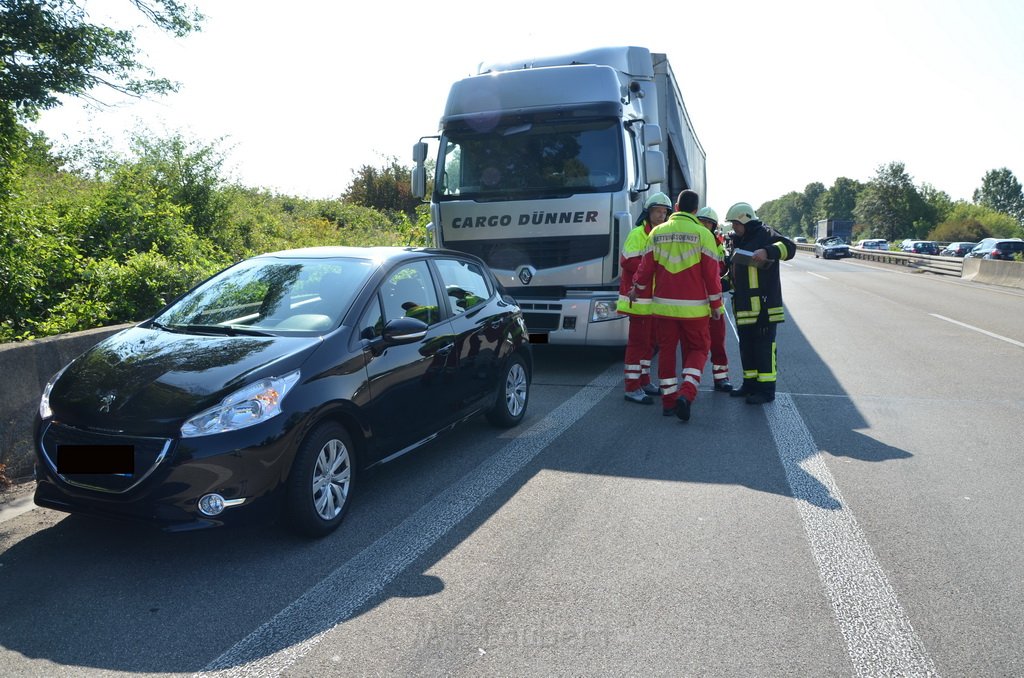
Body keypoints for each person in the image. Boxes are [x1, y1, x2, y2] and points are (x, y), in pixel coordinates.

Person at [630, 190, 724, 422]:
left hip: (663, 308)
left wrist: (636, 288)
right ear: (696, 210)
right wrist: (716, 305)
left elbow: (645, 270)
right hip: (695, 309)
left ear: (676, 206)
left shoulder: (658, 232)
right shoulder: (703, 234)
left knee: (666, 352)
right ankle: (687, 392)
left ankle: (669, 402)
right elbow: (712, 277)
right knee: (699, 350)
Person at [723, 202, 795, 405]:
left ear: (745, 220)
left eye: (736, 223)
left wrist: (767, 251)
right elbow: (735, 274)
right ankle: (750, 384)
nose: (734, 228)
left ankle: (766, 391)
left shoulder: (766, 233)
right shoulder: (737, 240)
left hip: (764, 308)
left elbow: (789, 248)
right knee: (747, 348)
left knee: (764, 349)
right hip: (744, 307)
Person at [617, 192, 672, 404]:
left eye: (664, 212)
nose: (661, 215)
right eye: (658, 211)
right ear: (648, 212)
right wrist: (654, 266)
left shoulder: (661, 234)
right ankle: (631, 387)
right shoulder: (638, 233)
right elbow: (628, 262)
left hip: (653, 301)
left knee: (649, 345)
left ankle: (644, 381)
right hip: (638, 299)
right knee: (637, 344)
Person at [695, 206, 733, 393]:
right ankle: (691, 379)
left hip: (715, 302)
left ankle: (721, 378)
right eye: (703, 221)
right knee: (695, 345)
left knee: (718, 342)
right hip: (696, 301)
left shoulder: (718, 244)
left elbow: (721, 269)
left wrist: (726, 277)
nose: (706, 225)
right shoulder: (695, 240)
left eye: (709, 223)